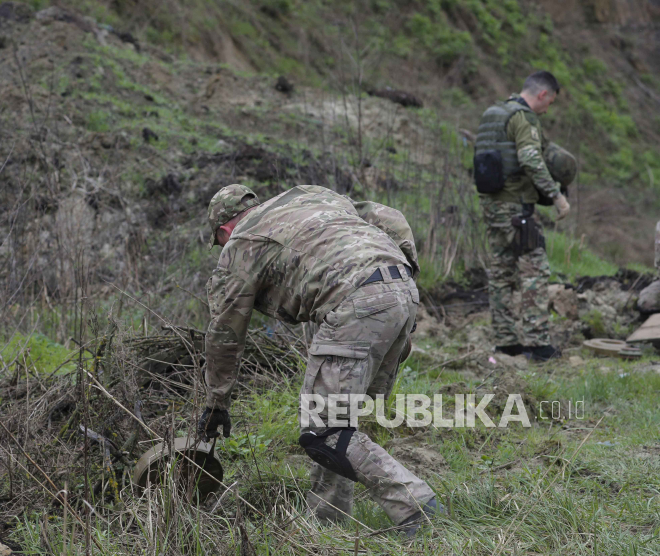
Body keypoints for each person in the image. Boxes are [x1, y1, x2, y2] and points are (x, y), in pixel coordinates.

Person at [197, 183, 443, 535]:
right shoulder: (309, 196)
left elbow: (225, 331)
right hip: (400, 286)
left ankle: (414, 504)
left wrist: (216, 401)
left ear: (224, 230)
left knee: (323, 431)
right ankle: (327, 520)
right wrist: (404, 281)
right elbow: (391, 218)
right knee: (340, 421)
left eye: (219, 243)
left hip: (355, 301)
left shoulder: (241, 244)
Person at [474, 70, 570, 361]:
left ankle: (506, 343)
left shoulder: (493, 113)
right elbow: (530, 158)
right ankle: (538, 344)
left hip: (492, 206)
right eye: (549, 102)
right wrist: (556, 196)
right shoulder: (524, 118)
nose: (547, 109)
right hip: (517, 209)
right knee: (534, 271)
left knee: (501, 273)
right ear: (542, 94)